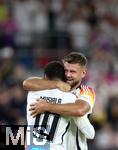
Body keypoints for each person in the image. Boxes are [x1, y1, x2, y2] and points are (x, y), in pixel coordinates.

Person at [23, 52, 95, 150]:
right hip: (50, 146)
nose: (68, 75)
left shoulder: (85, 91)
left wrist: (47, 106)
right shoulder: (52, 85)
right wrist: (56, 83)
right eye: (66, 70)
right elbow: (27, 83)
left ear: (83, 73)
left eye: (73, 71)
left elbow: (79, 110)